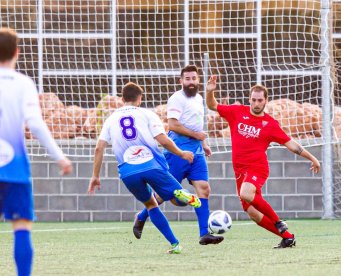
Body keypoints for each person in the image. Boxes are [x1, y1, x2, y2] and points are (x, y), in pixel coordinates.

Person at [205, 75, 320, 248]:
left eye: (260, 100)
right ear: (249, 99)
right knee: (253, 213)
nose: (256, 103)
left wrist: (312, 158)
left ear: (266, 101)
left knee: (246, 194)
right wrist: (209, 91)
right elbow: (212, 105)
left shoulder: (270, 124)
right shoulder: (237, 112)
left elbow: (292, 145)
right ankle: (288, 237)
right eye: (253, 100)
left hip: (257, 168)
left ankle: (278, 221)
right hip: (240, 171)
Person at [87, 82, 202, 254]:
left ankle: (175, 244)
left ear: (121, 99)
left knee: (150, 204)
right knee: (175, 198)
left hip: (128, 171)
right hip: (152, 165)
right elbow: (163, 139)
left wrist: (95, 176)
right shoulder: (147, 114)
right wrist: (181, 153)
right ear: (140, 99)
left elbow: (99, 148)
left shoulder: (111, 119)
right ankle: (179, 192)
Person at [0, 28, 73, 276]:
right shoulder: (23, 83)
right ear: (17, 53)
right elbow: (36, 123)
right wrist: (59, 156)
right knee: (21, 225)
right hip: (14, 168)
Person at [134, 65, 224, 245]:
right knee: (164, 194)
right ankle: (142, 216)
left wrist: (204, 143)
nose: (191, 82)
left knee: (204, 188)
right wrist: (196, 136)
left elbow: (198, 126)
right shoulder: (176, 99)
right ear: (181, 81)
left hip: (197, 152)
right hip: (177, 152)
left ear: (198, 80)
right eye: (187, 79)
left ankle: (204, 233)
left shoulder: (199, 98)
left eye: (194, 78)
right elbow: (173, 125)